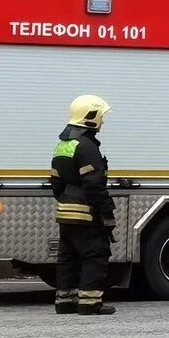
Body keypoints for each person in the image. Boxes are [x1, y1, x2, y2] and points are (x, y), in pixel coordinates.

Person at [50, 95, 116, 317]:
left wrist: (67, 201)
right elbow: (95, 186)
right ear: (91, 117)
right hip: (86, 213)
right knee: (95, 254)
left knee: (68, 257)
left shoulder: (64, 145)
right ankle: (89, 302)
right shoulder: (87, 147)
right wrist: (106, 212)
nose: (103, 122)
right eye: (101, 117)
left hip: (66, 211)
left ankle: (65, 301)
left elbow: (57, 183)